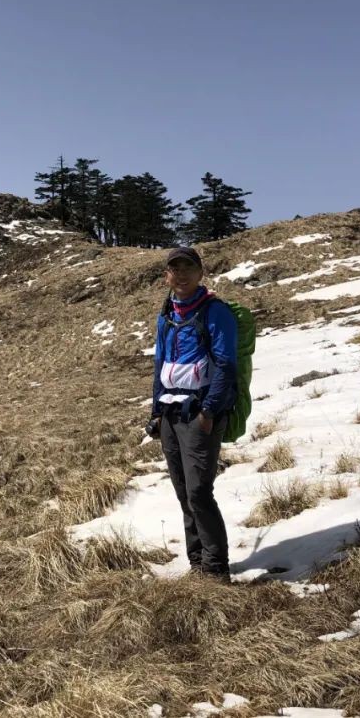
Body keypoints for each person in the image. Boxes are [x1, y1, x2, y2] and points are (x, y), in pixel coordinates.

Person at [146, 246, 238, 583]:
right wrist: (156, 411)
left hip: (200, 414)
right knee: (184, 491)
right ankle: (197, 562)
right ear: (166, 276)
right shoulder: (166, 314)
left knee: (199, 492)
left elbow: (227, 365)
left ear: (201, 273)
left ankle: (215, 569)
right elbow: (160, 365)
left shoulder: (216, 312)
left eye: (188, 267)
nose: (181, 274)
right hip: (170, 415)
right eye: (175, 268)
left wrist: (210, 412)